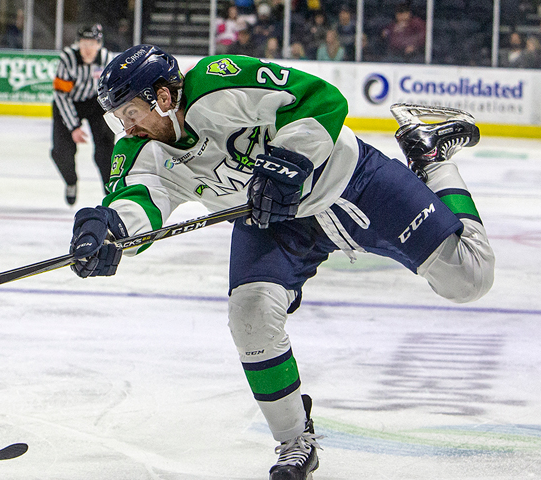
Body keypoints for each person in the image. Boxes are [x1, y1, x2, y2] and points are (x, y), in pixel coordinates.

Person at [68, 45, 495, 480]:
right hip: (275, 219)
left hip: (349, 179)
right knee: (249, 315)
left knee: (469, 277)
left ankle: (430, 157)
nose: (126, 125)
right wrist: (107, 233)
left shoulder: (218, 82)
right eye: (119, 116)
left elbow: (321, 99)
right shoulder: (141, 150)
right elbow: (135, 199)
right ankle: (294, 441)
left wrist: (289, 161)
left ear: (162, 97)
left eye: (131, 112)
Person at [50, 24, 115, 205]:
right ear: (78, 43)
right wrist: (74, 126)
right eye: (84, 43)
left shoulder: (107, 59)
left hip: (96, 104)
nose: (88, 48)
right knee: (61, 152)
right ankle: (71, 182)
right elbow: (61, 95)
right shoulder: (68, 58)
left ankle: (110, 191)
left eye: (92, 43)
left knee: (106, 149)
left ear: (99, 44)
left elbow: (112, 90)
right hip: (69, 103)